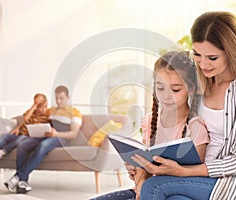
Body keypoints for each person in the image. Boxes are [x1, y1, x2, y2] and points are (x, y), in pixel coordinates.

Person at [133, 11, 236, 200]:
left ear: (232, 52)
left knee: (153, 188)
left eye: (212, 58)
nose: (203, 64)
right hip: (198, 179)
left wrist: (182, 172)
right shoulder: (200, 83)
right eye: (197, 54)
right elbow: (179, 130)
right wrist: (149, 165)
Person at [90, 51, 210, 200]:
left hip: (173, 193)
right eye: (160, 88)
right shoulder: (150, 121)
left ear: (191, 89)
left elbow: (193, 175)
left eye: (175, 89)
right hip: (145, 190)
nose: (167, 95)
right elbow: (144, 167)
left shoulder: (195, 127)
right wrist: (138, 174)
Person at [4, 85, 83, 194]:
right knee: (22, 145)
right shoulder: (50, 111)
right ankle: (22, 182)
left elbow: (73, 134)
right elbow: (31, 117)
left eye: (61, 98)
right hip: (47, 135)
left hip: (62, 138)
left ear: (68, 97)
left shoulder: (74, 112)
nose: (59, 101)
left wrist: (56, 134)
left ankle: (17, 177)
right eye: (56, 98)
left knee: (43, 145)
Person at [0, 93, 49, 164]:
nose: (43, 109)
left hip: (29, 138)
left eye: (44, 106)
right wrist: (17, 128)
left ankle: (2, 152)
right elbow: (25, 119)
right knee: (5, 136)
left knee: (21, 139)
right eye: (39, 106)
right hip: (20, 134)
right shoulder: (31, 112)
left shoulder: (48, 114)